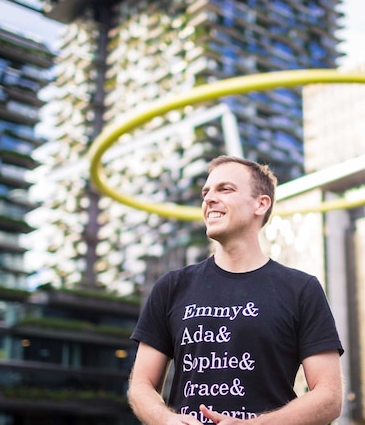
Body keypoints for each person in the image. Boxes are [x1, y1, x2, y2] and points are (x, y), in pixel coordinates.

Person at [128, 155, 344, 424]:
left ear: (260, 204)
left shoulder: (301, 289)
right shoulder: (171, 287)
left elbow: (329, 397)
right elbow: (141, 385)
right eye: (206, 192)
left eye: (225, 189)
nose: (208, 199)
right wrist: (166, 420)